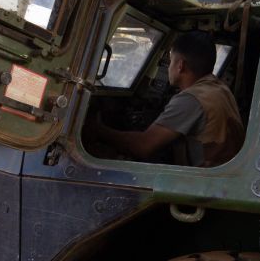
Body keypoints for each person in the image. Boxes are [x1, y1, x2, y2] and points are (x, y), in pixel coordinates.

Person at [92, 30, 244, 168]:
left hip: (204, 186)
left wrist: (99, 130)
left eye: (171, 61)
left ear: (180, 66)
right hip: (223, 175)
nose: (169, 67)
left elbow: (143, 146)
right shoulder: (219, 88)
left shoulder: (190, 99)